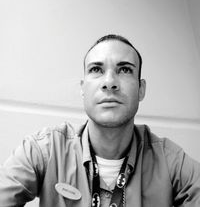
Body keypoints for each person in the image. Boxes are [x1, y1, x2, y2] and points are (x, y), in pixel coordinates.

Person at [0, 34, 200, 207]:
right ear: (83, 88)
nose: (110, 82)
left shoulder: (171, 162)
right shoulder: (43, 151)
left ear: (141, 89)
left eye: (124, 69)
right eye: (96, 69)